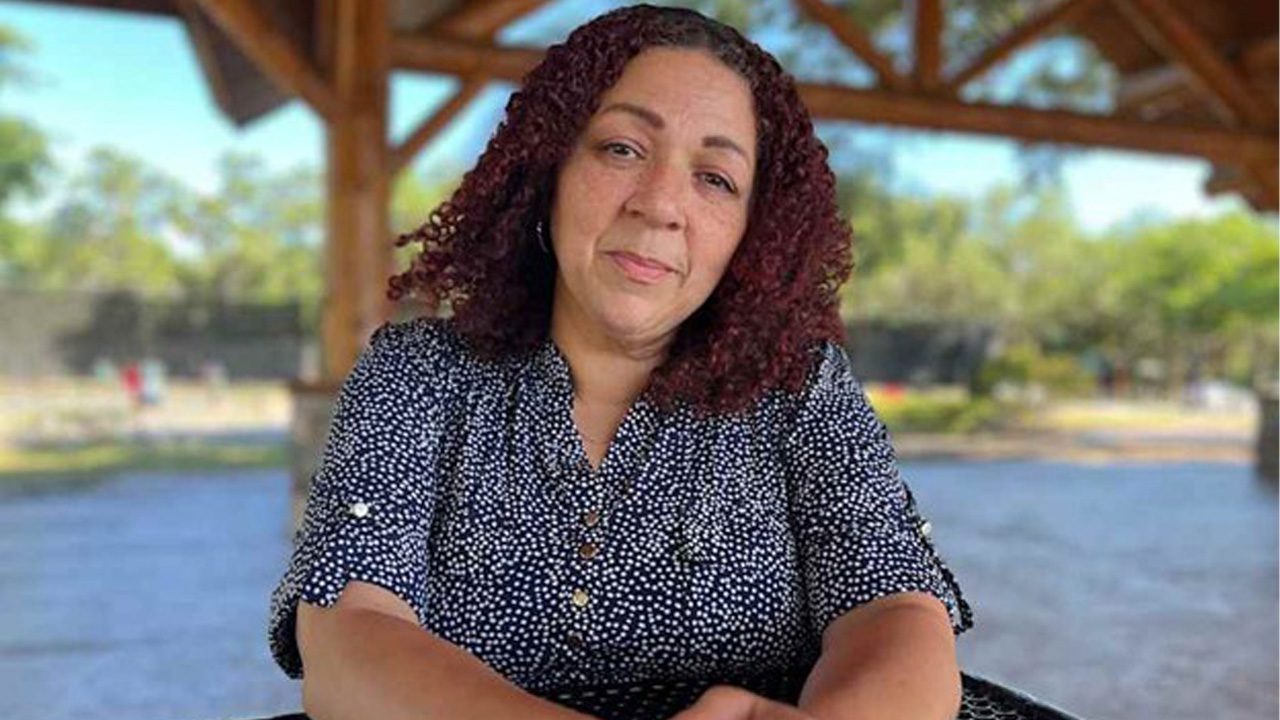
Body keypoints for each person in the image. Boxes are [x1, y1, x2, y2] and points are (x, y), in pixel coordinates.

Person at [267, 5, 973, 719]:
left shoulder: (801, 385)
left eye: (716, 179)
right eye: (622, 149)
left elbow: (897, 611)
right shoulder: (418, 374)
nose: (660, 204)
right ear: (549, 170)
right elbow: (349, 635)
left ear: (751, 234)